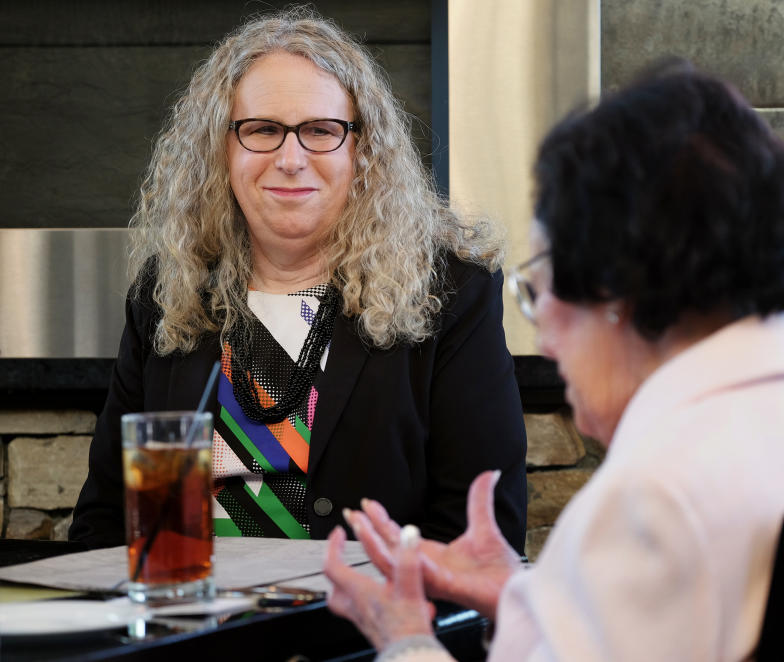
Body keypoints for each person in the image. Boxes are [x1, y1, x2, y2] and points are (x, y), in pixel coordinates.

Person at [322, 60, 784, 661]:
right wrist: (522, 593)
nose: (546, 340)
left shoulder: (657, 494)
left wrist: (404, 635)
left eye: (543, 287)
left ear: (624, 287)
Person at [69, 8, 527, 552]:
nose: (291, 159)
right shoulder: (168, 292)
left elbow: (480, 544)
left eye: (320, 131)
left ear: (363, 151)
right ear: (222, 151)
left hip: (366, 632)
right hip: (190, 628)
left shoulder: (450, 295)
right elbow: (104, 525)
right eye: (262, 130)